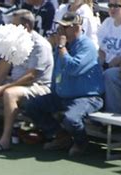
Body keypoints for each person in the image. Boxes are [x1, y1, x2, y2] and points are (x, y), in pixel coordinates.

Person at [23, 12, 104, 156]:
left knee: (71, 119)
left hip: (86, 97)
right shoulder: (63, 46)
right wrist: (54, 91)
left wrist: (61, 46)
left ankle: (81, 143)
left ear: (76, 28)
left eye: (65, 27)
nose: (60, 31)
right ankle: (61, 136)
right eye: (60, 27)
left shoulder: (87, 46)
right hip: (62, 96)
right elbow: (58, 71)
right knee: (31, 106)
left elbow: (73, 68)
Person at [0, 9, 53, 153]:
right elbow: (3, 68)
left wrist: (3, 88)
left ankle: (5, 140)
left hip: (39, 86)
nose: (11, 28)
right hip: (17, 83)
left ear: (26, 27)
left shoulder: (40, 45)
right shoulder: (15, 42)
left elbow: (31, 76)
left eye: (15, 25)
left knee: (9, 93)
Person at [97, 0, 121, 69]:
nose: (112, 8)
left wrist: (120, 59)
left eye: (116, 6)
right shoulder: (107, 22)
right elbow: (101, 49)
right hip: (104, 63)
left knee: (109, 74)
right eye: (110, 5)